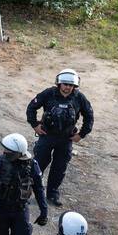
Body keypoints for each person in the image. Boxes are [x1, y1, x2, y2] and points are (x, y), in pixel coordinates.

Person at [25, 69, 93, 206]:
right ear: (59, 83)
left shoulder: (79, 98)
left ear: (75, 86)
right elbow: (32, 107)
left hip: (66, 139)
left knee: (59, 168)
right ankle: (28, 191)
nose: (67, 87)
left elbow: (89, 116)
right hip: (47, 136)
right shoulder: (48, 94)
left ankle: (52, 194)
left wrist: (81, 134)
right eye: (65, 84)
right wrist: (35, 125)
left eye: (70, 85)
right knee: (38, 165)